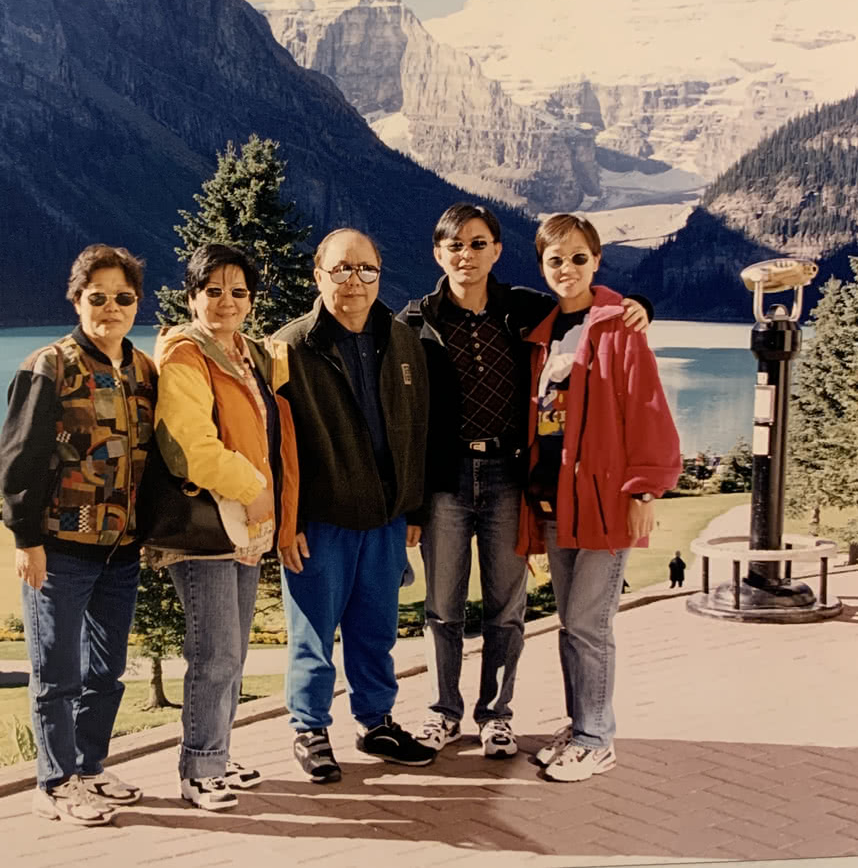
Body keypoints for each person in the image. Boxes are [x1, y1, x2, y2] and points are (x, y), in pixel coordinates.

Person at [402, 202, 649, 757]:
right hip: (444, 482)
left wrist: (639, 307)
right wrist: (411, 504)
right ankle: (443, 712)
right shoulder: (413, 322)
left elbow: (587, 305)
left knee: (505, 607)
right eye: (455, 245)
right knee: (442, 606)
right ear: (438, 253)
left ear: (497, 250)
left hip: (509, 478)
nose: (466, 254)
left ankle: (496, 715)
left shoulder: (525, 311)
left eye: (478, 243)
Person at [517, 213, 680, 783]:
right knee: (571, 622)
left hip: (606, 500)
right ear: (542, 266)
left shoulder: (618, 329)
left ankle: (596, 737)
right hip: (556, 499)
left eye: (578, 258)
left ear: (597, 261)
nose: (567, 269)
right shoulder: (541, 333)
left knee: (589, 623)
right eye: (555, 259)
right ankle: (581, 723)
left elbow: (648, 410)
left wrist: (645, 488)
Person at [0, 244, 157, 827]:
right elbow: (18, 458)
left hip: (121, 549)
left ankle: (90, 767)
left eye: (123, 298)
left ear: (137, 304)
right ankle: (55, 781)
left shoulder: (143, 369)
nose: (110, 308)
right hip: (58, 549)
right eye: (98, 297)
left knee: (106, 670)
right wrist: (26, 539)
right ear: (77, 299)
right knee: (56, 672)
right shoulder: (49, 365)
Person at [273, 228, 435, 783]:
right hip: (320, 523)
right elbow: (276, 449)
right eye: (341, 269)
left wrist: (413, 508)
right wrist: (285, 521)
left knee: (376, 629)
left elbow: (418, 431)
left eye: (365, 269)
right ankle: (310, 729)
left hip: (387, 520)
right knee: (313, 632)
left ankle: (376, 722)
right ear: (318, 276)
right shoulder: (289, 347)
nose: (354, 281)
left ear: (379, 274)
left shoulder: (402, 339)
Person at [151, 244, 301, 811]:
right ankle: (200, 768)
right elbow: (191, 445)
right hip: (208, 523)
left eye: (238, 291)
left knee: (232, 654)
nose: (226, 301)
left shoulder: (244, 354)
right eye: (212, 290)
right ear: (192, 297)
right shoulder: (186, 355)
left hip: (244, 525)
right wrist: (255, 488)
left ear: (252, 301)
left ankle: (219, 752)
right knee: (214, 654)